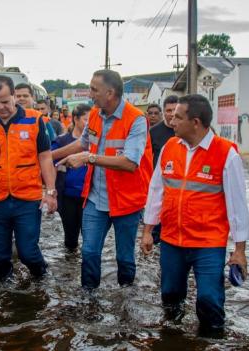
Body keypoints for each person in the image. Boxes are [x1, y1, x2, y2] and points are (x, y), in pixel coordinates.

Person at [140, 95, 249, 332]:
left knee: (209, 300)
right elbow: (157, 190)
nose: (171, 120)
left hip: (208, 243)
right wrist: (148, 230)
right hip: (171, 240)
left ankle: (211, 348)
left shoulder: (226, 153)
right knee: (170, 297)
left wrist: (240, 251)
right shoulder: (170, 147)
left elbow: (238, 205)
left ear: (196, 122)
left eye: (178, 116)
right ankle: (173, 345)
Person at [55, 69, 153, 290]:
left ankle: (126, 299)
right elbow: (82, 143)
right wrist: (50, 156)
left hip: (126, 201)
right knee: (89, 252)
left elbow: (130, 162)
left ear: (110, 93)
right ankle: (89, 301)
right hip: (95, 198)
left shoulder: (136, 119)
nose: (90, 94)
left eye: (93, 89)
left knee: (125, 258)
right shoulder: (94, 115)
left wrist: (89, 158)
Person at [0, 75, 57, 281]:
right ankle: (6, 297)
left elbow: (45, 158)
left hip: (27, 199)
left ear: (14, 97)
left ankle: (41, 277)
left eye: (5, 102)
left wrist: (51, 192)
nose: (0, 107)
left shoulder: (34, 120)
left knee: (27, 252)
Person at [51, 104, 91, 252]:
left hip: (89, 196)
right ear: (75, 119)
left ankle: (86, 266)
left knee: (90, 239)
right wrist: (51, 192)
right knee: (71, 240)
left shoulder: (96, 141)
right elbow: (51, 165)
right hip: (68, 196)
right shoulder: (61, 141)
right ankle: (70, 266)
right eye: (87, 120)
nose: (90, 124)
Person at [148, 95, 179, 244]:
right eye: (169, 110)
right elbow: (146, 158)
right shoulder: (153, 132)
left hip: (180, 186)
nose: (172, 113)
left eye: (175, 110)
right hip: (159, 185)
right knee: (156, 226)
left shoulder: (185, 130)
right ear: (164, 112)